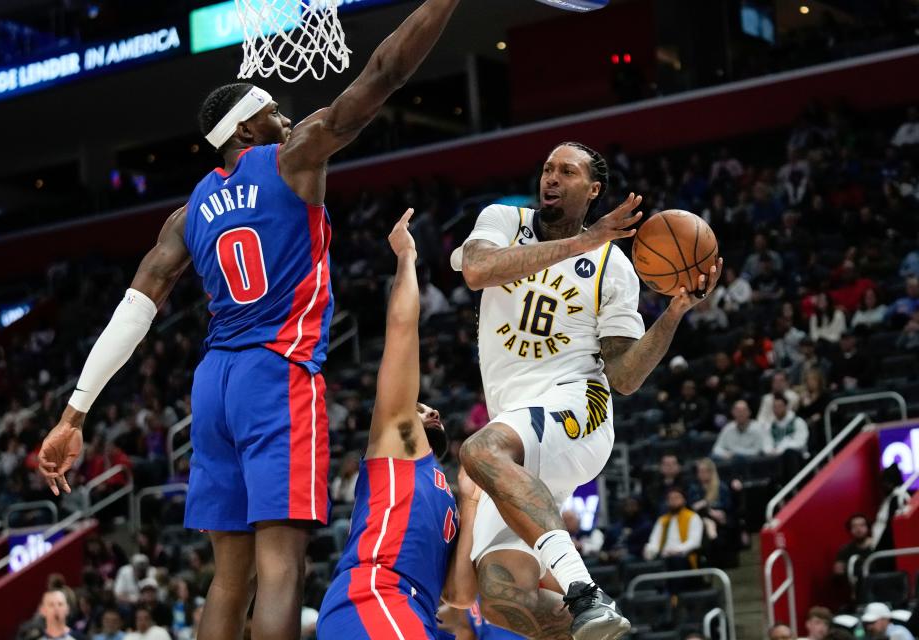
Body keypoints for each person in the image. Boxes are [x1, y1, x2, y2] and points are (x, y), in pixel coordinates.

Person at [35, 2, 461, 639]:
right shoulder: (292, 158)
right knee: (282, 565)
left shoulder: (187, 214)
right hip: (277, 374)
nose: (286, 119)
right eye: (273, 112)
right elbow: (382, 73)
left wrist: (74, 415)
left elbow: (134, 311)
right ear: (245, 131)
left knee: (228, 579)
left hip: (214, 386)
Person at [453, 142, 722, 640]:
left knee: (478, 449)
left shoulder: (612, 267)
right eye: (548, 168)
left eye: (567, 171)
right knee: (502, 598)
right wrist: (585, 240)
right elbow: (477, 270)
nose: (551, 178)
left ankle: (585, 593)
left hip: (577, 407)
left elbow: (623, 376)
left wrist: (674, 312)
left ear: (593, 189)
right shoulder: (501, 221)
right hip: (517, 427)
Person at [316, 211, 480, 639]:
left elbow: (460, 595)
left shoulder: (446, 490)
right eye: (420, 405)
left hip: (416, 610)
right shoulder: (397, 442)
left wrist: (472, 502)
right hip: (375, 594)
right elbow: (403, 330)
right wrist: (407, 257)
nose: (431, 410)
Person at [642, 487, 703, 570]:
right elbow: (654, 540)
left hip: (683, 556)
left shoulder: (693, 517)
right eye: (671, 498)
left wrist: (676, 550)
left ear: (684, 500)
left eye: (677, 497)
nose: (673, 500)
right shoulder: (662, 520)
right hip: (663, 556)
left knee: (675, 561)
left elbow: (695, 542)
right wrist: (650, 550)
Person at [761, 394, 809, 479]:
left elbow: (800, 443)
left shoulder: (797, 422)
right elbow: (766, 443)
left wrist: (782, 448)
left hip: (797, 457)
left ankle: (794, 486)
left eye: (780, 406)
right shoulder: (770, 425)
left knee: (789, 454)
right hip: (776, 457)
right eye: (775, 407)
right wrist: (770, 450)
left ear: (786, 406)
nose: (777, 409)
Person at [832, 514, 872, 581]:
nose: (858, 529)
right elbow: (838, 577)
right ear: (850, 529)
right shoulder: (845, 550)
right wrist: (838, 572)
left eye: (862, 525)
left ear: (868, 527)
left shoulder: (877, 546)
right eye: (854, 526)